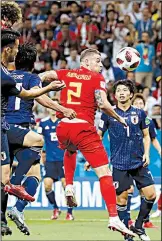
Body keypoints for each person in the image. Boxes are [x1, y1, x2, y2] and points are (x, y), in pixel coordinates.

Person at [39, 48, 135, 238]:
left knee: (70, 150)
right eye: (97, 61)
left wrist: (52, 100)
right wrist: (118, 118)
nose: (100, 65)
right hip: (83, 128)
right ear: (85, 63)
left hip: (63, 126)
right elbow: (103, 104)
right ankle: (114, 217)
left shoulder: (64, 73)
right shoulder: (96, 78)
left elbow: (39, 77)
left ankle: (69, 186)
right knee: (105, 173)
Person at [6, 43, 76, 235]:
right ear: (33, 62)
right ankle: (15, 183)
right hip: (20, 131)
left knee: (36, 173)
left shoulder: (6, 75)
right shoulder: (32, 78)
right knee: (38, 143)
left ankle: (16, 210)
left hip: (7, 129)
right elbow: (41, 99)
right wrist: (63, 109)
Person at [97, 80, 156, 241]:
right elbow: (99, 137)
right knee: (121, 200)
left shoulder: (140, 113)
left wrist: (147, 154)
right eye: (118, 91)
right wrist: (93, 157)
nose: (121, 93)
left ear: (131, 94)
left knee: (151, 195)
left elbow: (146, 135)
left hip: (138, 162)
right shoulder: (108, 114)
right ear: (114, 95)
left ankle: (138, 226)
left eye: (125, 90)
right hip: (119, 163)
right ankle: (127, 236)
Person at [126, 93, 161, 229]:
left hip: (141, 159)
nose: (139, 105)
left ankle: (145, 220)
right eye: (137, 103)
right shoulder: (125, 119)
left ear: (144, 105)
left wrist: (160, 150)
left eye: (141, 103)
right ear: (132, 104)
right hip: (125, 159)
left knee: (145, 191)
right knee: (128, 189)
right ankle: (127, 219)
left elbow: (152, 138)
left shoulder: (147, 121)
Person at [38, 106, 74, 221]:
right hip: (50, 160)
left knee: (66, 185)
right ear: (48, 109)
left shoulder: (64, 122)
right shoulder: (43, 123)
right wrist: (40, 155)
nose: (53, 110)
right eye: (50, 107)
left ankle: (69, 212)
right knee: (47, 184)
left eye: (55, 107)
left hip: (63, 159)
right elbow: (39, 139)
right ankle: (55, 208)